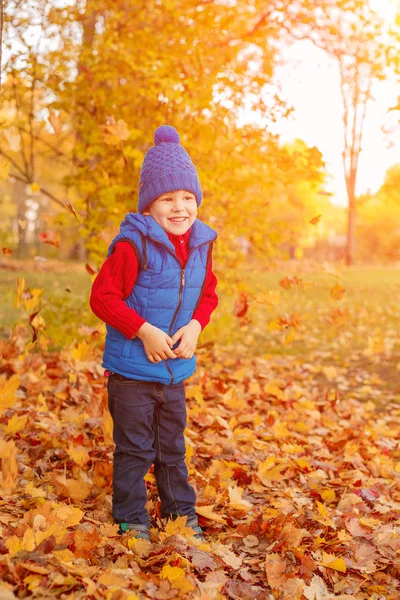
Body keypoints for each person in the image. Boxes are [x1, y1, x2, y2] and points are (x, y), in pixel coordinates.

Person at [90, 125, 218, 541]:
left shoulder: (201, 243)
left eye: (187, 198)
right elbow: (103, 298)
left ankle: (180, 513)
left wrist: (197, 326)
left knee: (172, 450)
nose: (179, 208)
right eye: (168, 199)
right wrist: (143, 330)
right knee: (135, 450)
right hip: (130, 375)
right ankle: (131, 518)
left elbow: (208, 294)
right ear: (149, 206)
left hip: (174, 373)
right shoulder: (133, 246)